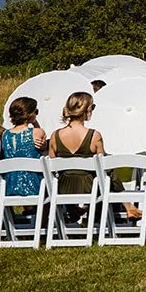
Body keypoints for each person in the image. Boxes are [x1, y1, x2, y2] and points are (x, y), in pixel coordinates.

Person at [47, 92, 105, 222]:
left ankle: (73, 212)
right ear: (88, 110)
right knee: (108, 178)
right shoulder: (94, 136)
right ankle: (124, 208)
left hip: (63, 188)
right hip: (89, 187)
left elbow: (52, 166)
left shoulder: (55, 136)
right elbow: (102, 166)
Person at [0, 97, 46, 223]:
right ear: (30, 114)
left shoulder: (5, 135)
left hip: (10, 185)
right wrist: (35, 123)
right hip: (34, 186)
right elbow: (44, 148)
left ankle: (29, 213)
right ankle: (42, 221)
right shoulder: (37, 132)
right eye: (35, 112)